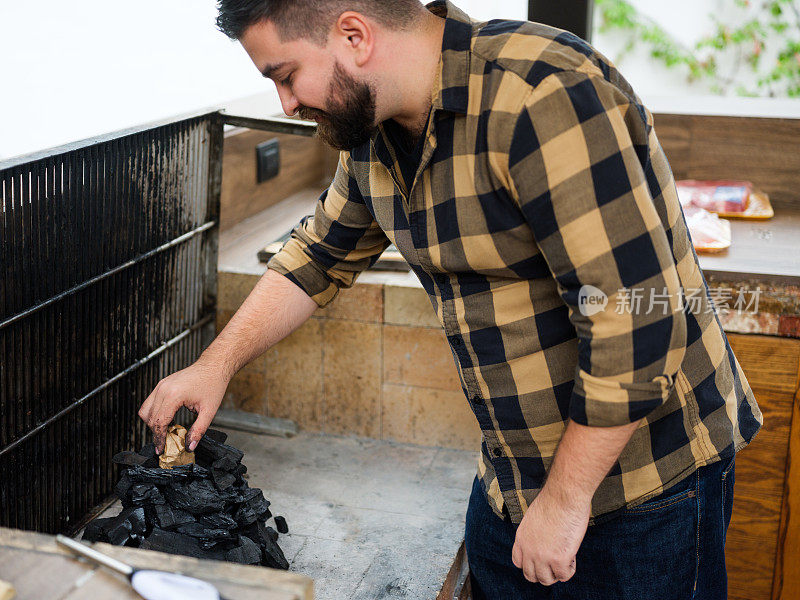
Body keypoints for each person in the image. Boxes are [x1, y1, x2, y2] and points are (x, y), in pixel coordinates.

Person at [138, 1, 763, 597]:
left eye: (286, 75)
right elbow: (319, 254)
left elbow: (636, 325)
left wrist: (566, 502)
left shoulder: (543, 94)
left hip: (643, 494)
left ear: (354, 37)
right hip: (511, 480)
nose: (286, 102)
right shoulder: (372, 130)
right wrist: (211, 367)